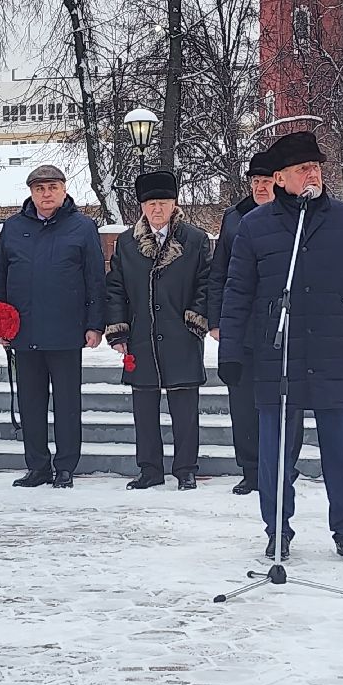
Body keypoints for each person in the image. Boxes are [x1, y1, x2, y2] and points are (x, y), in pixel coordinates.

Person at [217, 130, 343, 565]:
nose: (312, 175)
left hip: (329, 352)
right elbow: (237, 294)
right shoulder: (256, 226)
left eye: (315, 167)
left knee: (341, 449)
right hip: (278, 354)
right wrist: (230, 351)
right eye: (302, 169)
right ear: (279, 179)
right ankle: (277, 531)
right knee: (275, 451)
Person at [0, 164, 106, 489]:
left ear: (64, 189)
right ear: (31, 192)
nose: (46, 194)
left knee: (67, 403)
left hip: (66, 331)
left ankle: (66, 466)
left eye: (52, 187)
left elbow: (95, 280)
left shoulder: (82, 227)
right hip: (23, 332)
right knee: (31, 403)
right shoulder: (12, 228)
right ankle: (37, 466)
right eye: (39, 188)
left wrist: (95, 324)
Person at [104, 169, 211, 490]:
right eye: (150, 203)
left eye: (163, 202)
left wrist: (196, 320)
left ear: (174, 203)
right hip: (142, 336)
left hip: (182, 334)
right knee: (145, 408)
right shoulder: (126, 242)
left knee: (185, 408)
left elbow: (206, 283)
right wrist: (119, 331)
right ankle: (149, 468)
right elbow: (115, 288)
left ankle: (186, 468)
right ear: (141, 206)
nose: (157, 208)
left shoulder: (194, 239)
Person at [207, 148, 301, 496]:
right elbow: (219, 273)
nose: (261, 187)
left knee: (287, 402)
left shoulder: (294, 214)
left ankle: (284, 468)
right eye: (255, 181)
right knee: (243, 403)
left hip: (284, 324)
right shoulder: (234, 218)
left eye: (266, 181)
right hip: (243, 325)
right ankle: (250, 469)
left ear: (278, 181)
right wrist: (216, 320)